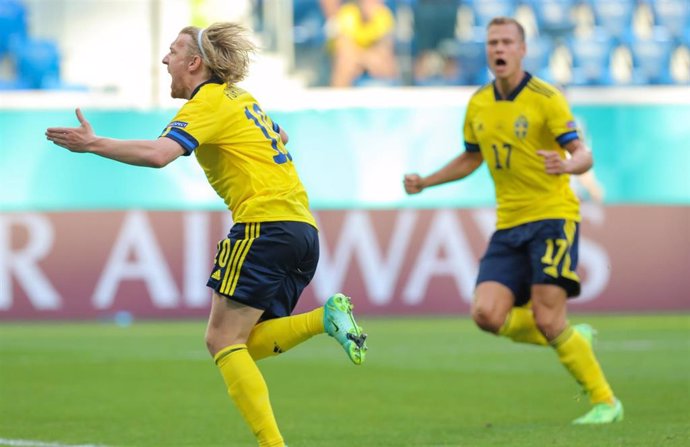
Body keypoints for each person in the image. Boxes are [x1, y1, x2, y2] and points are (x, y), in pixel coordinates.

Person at [45, 22, 368, 447]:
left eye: (173, 52)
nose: (165, 60)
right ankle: (323, 319)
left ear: (195, 63)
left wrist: (94, 144)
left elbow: (161, 155)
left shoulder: (207, 102)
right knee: (243, 344)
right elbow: (281, 136)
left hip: (262, 226)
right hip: (302, 230)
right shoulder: (242, 98)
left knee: (220, 339)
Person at [403, 17, 623, 424]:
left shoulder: (546, 98)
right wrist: (427, 182)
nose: (498, 49)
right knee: (486, 314)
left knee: (546, 316)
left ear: (522, 50)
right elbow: (472, 157)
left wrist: (569, 165)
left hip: (553, 218)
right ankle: (571, 337)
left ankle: (606, 402)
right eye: (492, 43)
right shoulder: (478, 103)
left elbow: (584, 153)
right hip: (508, 224)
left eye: (506, 42)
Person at [329, 0, 398, 86]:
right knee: (345, 62)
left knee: (388, 64)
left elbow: (385, 47)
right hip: (352, 58)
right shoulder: (348, 13)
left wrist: (368, 59)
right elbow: (344, 46)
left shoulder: (384, 15)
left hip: (373, 58)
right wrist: (364, 59)